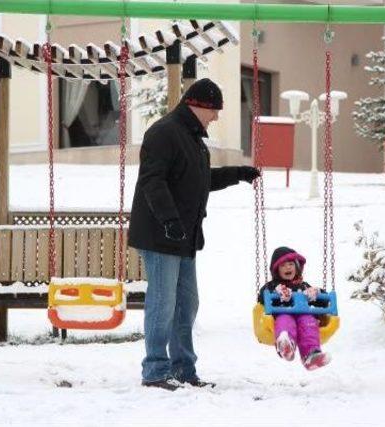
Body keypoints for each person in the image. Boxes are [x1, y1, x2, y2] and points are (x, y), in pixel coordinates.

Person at [128, 78, 260, 391]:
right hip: (162, 235)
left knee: (186, 304)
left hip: (183, 237)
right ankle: (155, 371)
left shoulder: (191, 138)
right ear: (197, 105)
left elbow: (197, 181)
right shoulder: (164, 133)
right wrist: (169, 220)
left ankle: (184, 369)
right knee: (163, 303)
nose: (216, 117)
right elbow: (152, 181)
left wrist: (236, 174)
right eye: (214, 110)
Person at [258, 246, 331, 370]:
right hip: (283, 314)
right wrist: (276, 291)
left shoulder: (303, 286)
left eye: (291, 264)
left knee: (309, 322)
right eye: (283, 265)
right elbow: (261, 297)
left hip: (304, 316)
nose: (288, 267)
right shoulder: (273, 285)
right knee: (285, 320)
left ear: (297, 267)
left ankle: (311, 355)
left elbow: (324, 302)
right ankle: (286, 345)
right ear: (277, 270)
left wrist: (317, 293)